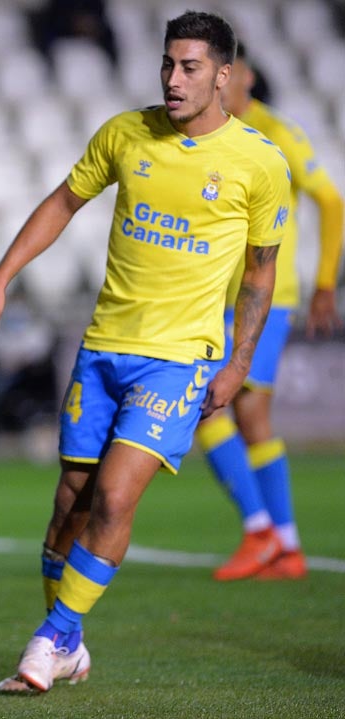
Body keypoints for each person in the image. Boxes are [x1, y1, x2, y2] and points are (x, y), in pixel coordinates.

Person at [0, 11, 290, 694]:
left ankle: (50, 638)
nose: (172, 79)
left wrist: (236, 362)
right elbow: (61, 202)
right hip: (103, 350)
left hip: (178, 359)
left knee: (114, 498)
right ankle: (72, 643)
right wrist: (0, 276)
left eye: (190, 67)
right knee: (69, 505)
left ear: (223, 75)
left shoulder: (259, 163)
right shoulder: (125, 132)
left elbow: (259, 274)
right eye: (167, 64)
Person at [194, 43, 344, 582]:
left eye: (220, 76)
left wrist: (326, 282)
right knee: (232, 416)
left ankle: (267, 535)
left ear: (244, 76)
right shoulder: (211, 137)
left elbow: (331, 200)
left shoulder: (278, 133)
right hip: (219, 300)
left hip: (268, 298)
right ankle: (282, 544)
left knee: (227, 412)